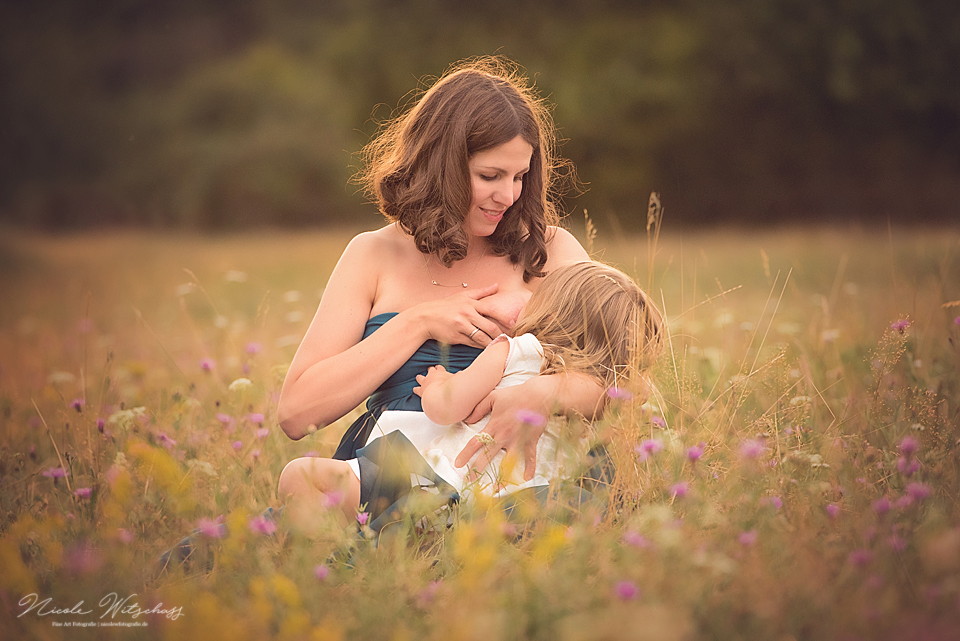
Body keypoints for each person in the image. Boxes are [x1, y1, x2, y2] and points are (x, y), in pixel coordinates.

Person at [276, 56, 603, 529]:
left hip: (518, 476)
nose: (509, 196)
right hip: (395, 475)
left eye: (520, 177)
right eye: (490, 176)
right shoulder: (372, 255)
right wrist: (419, 323)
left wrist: (545, 391)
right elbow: (296, 414)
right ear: (440, 165)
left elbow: (625, 379)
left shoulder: (549, 251)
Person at [278, 261, 664, 526]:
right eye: (492, 175)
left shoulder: (514, 350)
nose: (509, 192)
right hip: (527, 502)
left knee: (300, 477)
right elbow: (630, 393)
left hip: (435, 485)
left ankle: (346, 561)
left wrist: (436, 384)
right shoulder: (590, 402)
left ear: (552, 309)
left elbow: (451, 409)